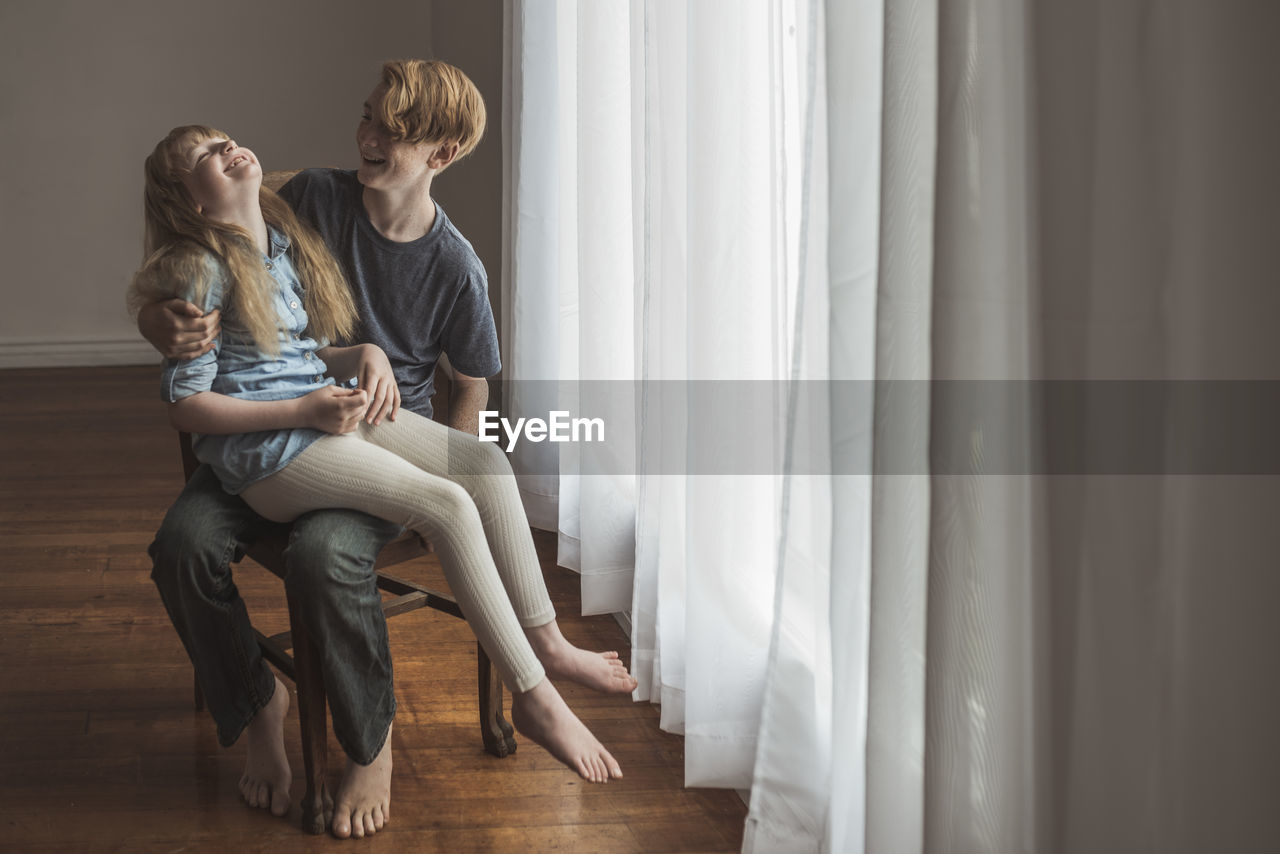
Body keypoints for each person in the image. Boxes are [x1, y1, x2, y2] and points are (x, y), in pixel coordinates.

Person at [133, 61, 636, 841]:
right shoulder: (303, 202)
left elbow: (470, 393)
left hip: (347, 423)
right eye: (366, 116)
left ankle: (536, 652)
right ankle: (264, 708)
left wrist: (395, 441)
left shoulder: (453, 266)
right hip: (279, 438)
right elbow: (187, 272)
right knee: (183, 544)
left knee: (473, 474)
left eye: (393, 133)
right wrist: (156, 318)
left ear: (442, 153)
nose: (366, 137)